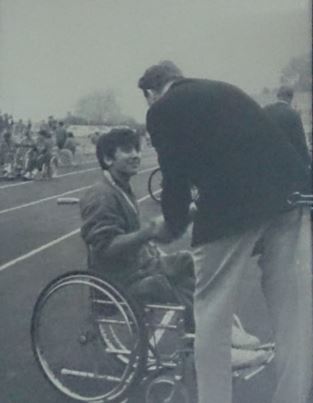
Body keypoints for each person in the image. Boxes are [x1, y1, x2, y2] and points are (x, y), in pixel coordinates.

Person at [138, 61, 312, 403]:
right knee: (291, 313)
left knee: (211, 318)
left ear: (151, 92)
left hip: (232, 210)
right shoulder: (225, 89)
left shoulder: (161, 110)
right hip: (289, 199)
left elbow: (174, 179)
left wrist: (172, 226)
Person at [80, 128, 270, 368]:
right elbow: (104, 248)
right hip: (119, 281)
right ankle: (211, 350)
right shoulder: (101, 196)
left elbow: (138, 238)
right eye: (128, 150)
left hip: (138, 268)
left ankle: (218, 332)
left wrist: (175, 222)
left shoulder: (120, 186)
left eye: (137, 148)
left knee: (191, 262)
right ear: (108, 159)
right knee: (172, 284)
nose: (136, 154)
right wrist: (148, 232)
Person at [263, 85, 311, 167]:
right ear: (291, 98)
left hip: (268, 158)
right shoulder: (293, 114)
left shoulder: (265, 110)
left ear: (277, 96)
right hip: (287, 161)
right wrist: (307, 161)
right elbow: (299, 141)